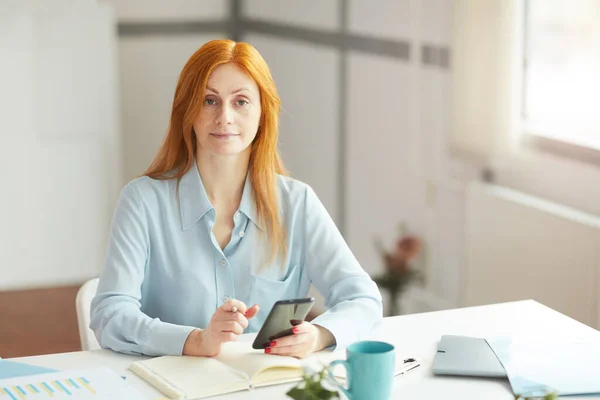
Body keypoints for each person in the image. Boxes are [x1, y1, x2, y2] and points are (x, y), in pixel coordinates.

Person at [90, 39, 382, 359]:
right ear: (187, 110)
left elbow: (363, 298)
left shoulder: (297, 203)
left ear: (262, 114)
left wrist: (320, 334)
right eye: (209, 100)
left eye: (241, 101)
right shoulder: (142, 201)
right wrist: (196, 340)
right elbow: (110, 313)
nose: (225, 117)